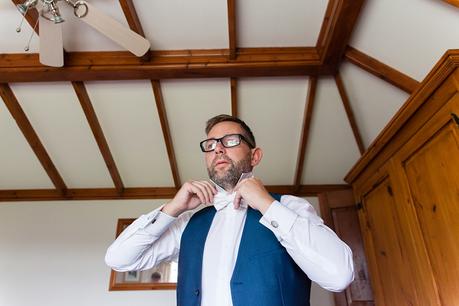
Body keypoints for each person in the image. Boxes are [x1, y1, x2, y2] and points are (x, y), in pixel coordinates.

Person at [105, 114, 354, 306]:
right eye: (211, 144)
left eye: (230, 141)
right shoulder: (188, 223)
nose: (218, 149)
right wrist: (173, 208)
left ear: (255, 156)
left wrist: (267, 204)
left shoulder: (289, 207)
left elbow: (339, 276)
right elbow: (118, 259)